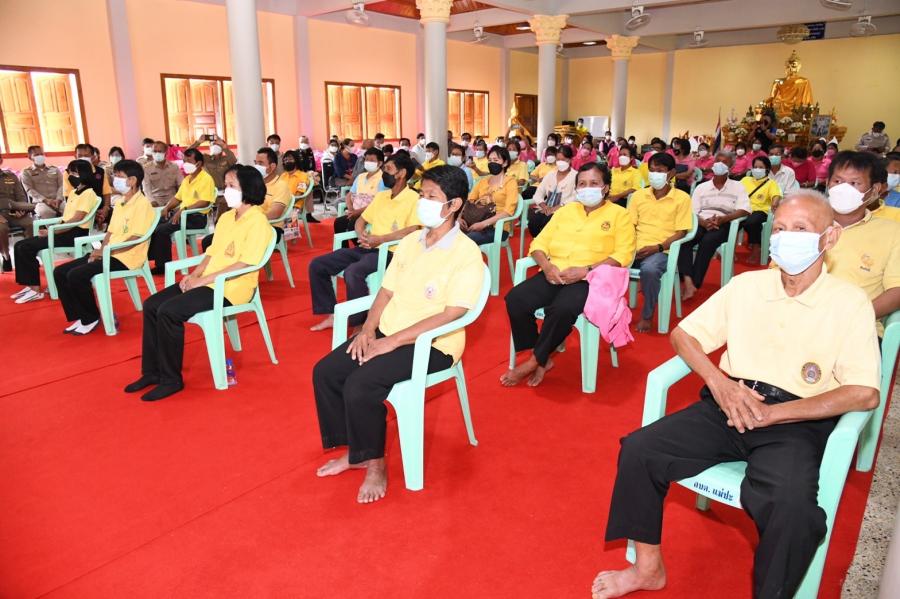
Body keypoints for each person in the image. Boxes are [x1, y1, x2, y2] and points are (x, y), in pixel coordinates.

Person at [593, 191, 880, 599]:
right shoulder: (747, 285)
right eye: (780, 229)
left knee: (793, 511)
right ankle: (647, 568)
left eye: (801, 229)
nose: (786, 238)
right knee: (640, 450)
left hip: (795, 421)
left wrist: (775, 415)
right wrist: (720, 383)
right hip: (729, 402)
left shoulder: (849, 303)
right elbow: (684, 335)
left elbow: (864, 392)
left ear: (829, 237)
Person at [312, 164, 483, 504]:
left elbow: (452, 313)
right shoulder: (409, 242)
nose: (423, 202)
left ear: (453, 205)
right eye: (422, 195)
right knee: (327, 372)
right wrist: (367, 330)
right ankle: (357, 451)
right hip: (388, 331)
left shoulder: (466, 254)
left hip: (434, 343)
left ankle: (375, 464)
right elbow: (386, 291)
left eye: (432, 196)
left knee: (360, 384)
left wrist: (390, 342)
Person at [126, 164, 273, 402]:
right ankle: (152, 372)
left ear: (248, 189)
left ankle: (171, 379)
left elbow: (245, 263)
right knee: (152, 305)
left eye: (232, 186)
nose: (226, 190)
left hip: (232, 287)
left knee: (169, 312)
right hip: (208, 281)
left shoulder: (258, 222)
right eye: (226, 185)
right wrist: (194, 275)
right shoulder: (227, 217)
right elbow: (212, 253)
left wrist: (203, 280)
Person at [503, 163, 635, 388]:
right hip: (555, 272)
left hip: (590, 278)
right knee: (516, 299)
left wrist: (587, 270)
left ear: (605, 188)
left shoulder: (619, 215)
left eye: (594, 183)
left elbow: (624, 254)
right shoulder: (566, 211)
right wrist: (546, 267)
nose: (587, 188)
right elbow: (539, 244)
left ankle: (535, 361)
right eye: (582, 183)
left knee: (562, 309)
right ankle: (541, 353)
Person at [308, 153, 419, 331]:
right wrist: (361, 235)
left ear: (402, 173)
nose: (384, 173)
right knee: (318, 264)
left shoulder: (414, 199)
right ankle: (331, 315)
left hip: (391, 252)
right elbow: (361, 220)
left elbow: (413, 230)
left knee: (353, 272)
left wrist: (380, 239)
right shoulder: (382, 196)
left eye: (388, 169)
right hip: (368, 247)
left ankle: (359, 323)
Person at [53, 160, 156, 336]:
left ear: (132, 180)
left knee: (76, 275)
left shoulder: (142, 205)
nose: (115, 179)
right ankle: (80, 315)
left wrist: (106, 252)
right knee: (60, 272)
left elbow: (135, 239)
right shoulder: (121, 202)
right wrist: (101, 250)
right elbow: (110, 232)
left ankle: (91, 318)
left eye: (119, 176)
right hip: (109, 253)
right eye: (115, 175)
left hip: (126, 257)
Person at [823, 151, 899, 336]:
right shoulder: (806, 224)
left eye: (854, 183)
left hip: (857, 328)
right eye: (837, 181)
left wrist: (854, 317)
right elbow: (777, 273)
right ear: (827, 183)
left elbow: (896, 291)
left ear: (874, 190)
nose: (843, 189)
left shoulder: (893, 232)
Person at [11, 160, 96, 304]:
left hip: (74, 234)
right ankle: (29, 285)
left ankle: (35, 290)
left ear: (84, 174)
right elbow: (66, 217)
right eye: (70, 172)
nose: (70, 175)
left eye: (74, 172)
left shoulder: (89, 194)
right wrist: (54, 229)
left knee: (26, 247)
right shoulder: (74, 192)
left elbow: (76, 219)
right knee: (19, 245)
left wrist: (52, 231)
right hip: (64, 230)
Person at [628, 152, 693, 333]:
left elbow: (681, 232)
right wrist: (629, 247)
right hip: (635, 247)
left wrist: (657, 247)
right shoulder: (639, 196)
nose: (654, 174)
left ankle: (647, 315)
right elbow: (630, 225)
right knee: (605, 264)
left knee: (649, 269)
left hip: (663, 250)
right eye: (652, 170)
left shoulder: (682, 198)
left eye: (660, 170)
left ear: (671, 173)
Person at [679, 152, 750, 300]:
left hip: (724, 222)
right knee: (684, 240)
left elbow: (744, 210)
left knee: (708, 241)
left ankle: (695, 283)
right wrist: (703, 222)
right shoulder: (701, 187)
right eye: (718, 160)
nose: (720, 164)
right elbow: (692, 212)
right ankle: (688, 281)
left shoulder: (738, 186)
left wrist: (724, 219)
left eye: (725, 162)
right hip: (701, 221)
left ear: (731, 166)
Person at [147, 148, 215, 274]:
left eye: (188, 161)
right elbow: (177, 198)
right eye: (184, 161)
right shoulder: (187, 179)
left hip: (196, 217)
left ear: (198, 163)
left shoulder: (206, 179)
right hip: (183, 215)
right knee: (154, 224)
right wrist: (167, 207)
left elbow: (205, 201)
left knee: (162, 229)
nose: (185, 164)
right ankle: (154, 260)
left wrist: (184, 210)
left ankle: (162, 266)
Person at [461, 146, 518, 245]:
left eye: (495, 160)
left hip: (498, 228)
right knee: (451, 235)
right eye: (490, 160)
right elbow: (469, 201)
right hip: (476, 221)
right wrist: (459, 217)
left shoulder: (510, 182)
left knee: (467, 240)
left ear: (505, 163)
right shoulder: (483, 181)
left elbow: (508, 212)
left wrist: (483, 224)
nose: (492, 163)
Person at [334, 147, 386, 239]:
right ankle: (344, 247)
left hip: (371, 212)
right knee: (338, 223)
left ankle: (359, 246)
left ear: (380, 163)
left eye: (372, 160)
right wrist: (351, 209)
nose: (368, 162)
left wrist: (357, 212)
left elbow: (378, 202)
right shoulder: (361, 177)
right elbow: (349, 195)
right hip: (355, 210)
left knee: (352, 225)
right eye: (366, 159)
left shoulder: (382, 179)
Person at [740, 155, 783, 264]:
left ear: (767, 169)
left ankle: (756, 249)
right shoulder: (745, 180)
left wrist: (775, 202)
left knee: (752, 222)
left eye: (760, 167)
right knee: (729, 221)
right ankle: (727, 250)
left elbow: (776, 195)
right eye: (755, 167)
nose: (757, 169)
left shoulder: (771, 183)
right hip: (743, 209)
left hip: (760, 210)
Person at [528, 146, 576, 237]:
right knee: (533, 223)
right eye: (558, 159)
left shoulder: (575, 176)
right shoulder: (551, 174)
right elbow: (539, 193)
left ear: (570, 160)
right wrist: (544, 206)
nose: (560, 162)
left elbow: (575, 197)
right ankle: (540, 243)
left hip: (563, 210)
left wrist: (556, 208)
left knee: (548, 223)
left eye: (563, 159)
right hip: (546, 208)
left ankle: (548, 244)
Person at [0, 153, 34, 272]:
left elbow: (21, 196)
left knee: (30, 223)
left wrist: (21, 210)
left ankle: (28, 255)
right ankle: (6, 256)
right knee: (1, 229)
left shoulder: (10, 176)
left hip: (14, 212)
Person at [65, 143, 112, 227]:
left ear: (93, 157)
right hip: (79, 209)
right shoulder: (69, 173)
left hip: (99, 207)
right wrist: (91, 213)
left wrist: (105, 208)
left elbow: (106, 192)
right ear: (75, 156)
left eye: (86, 155)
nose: (83, 158)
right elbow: (68, 197)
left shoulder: (100, 171)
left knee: (113, 214)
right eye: (80, 155)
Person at [255, 147, 292, 243]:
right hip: (255, 224)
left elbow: (275, 213)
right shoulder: (255, 184)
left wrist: (252, 219)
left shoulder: (281, 186)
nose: (256, 166)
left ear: (272, 166)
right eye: (256, 163)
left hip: (272, 227)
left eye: (260, 163)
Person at [22, 145, 64, 219]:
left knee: (69, 210)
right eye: (36, 155)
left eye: (41, 154)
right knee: (46, 212)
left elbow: (62, 185)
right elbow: (29, 189)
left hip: (58, 201)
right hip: (41, 203)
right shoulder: (26, 172)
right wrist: (45, 200)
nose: (40, 156)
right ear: (30, 157)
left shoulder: (54, 169)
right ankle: (50, 227)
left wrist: (59, 199)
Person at [141, 141, 183, 209]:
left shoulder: (174, 167)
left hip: (173, 198)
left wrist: (179, 199)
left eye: (160, 151)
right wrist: (152, 201)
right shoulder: (146, 168)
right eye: (154, 151)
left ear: (166, 152)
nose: (157, 154)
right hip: (155, 199)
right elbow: (146, 189)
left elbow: (181, 185)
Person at [280, 149, 317, 223]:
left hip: (294, 205)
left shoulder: (303, 176)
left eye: (290, 159)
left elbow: (300, 193)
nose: (287, 161)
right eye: (285, 160)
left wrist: (289, 204)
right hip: (281, 202)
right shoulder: (283, 175)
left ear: (296, 161)